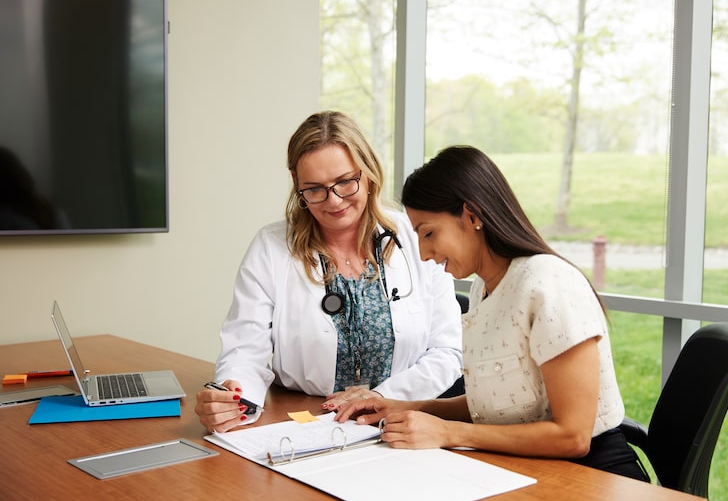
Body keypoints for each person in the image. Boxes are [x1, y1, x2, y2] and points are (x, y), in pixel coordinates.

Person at [336, 145, 648, 481]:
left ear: (472, 216)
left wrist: (448, 432)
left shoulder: (548, 283)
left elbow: (572, 436)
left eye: (429, 233)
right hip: (521, 466)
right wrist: (405, 407)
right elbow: (495, 403)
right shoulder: (483, 289)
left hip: (592, 475)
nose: (424, 254)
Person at [195, 111, 463, 433]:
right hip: (305, 421)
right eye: (314, 189)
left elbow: (447, 351)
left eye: (345, 182)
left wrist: (382, 396)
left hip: (401, 419)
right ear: (296, 183)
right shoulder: (271, 247)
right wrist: (232, 397)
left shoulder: (415, 236)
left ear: (368, 172)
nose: (333, 201)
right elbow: (245, 350)